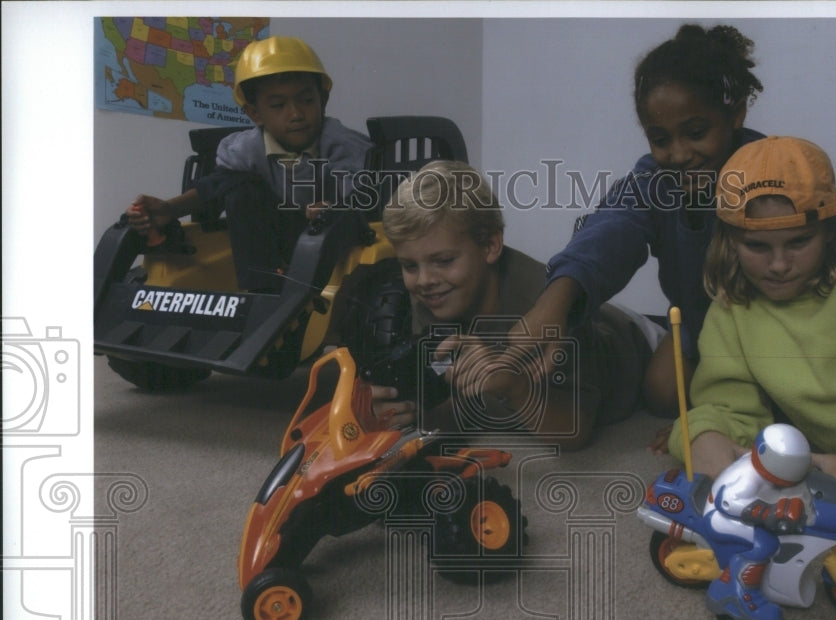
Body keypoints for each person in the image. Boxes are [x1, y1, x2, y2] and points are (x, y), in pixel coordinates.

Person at [520, 24, 765, 420]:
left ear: (735, 114)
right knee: (663, 396)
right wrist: (555, 303)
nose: (680, 153)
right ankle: (661, 342)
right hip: (696, 323)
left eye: (696, 132)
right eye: (661, 139)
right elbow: (613, 227)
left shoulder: (770, 170)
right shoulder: (654, 179)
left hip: (769, 328)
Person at [365, 160, 661, 450]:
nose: (425, 280)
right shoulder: (431, 297)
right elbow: (457, 405)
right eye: (409, 266)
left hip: (635, 342)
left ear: (490, 246)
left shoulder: (550, 306)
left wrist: (517, 389)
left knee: (666, 391)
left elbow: (574, 430)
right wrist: (414, 411)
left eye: (443, 261)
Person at [666, 136, 836, 493]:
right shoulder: (732, 306)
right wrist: (703, 436)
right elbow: (728, 409)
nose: (778, 265)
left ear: (830, 229)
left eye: (798, 242)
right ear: (731, 240)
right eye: (757, 246)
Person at [126, 36, 370, 291]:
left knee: (343, 215)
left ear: (323, 100)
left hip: (335, 238)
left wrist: (332, 207)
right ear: (255, 114)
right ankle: (260, 292)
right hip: (279, 236)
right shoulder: (244, 148)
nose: (296, 114)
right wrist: (170, 208)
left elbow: (360, 191)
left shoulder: (342, 143)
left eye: (307, 101)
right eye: (278, 105)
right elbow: (218, 184)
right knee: (239, 190)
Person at [702, 424, 816, 620]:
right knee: (765, 544)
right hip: (719, 516)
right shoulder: (748, 475)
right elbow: (727, 502)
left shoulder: (767, 468)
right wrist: (765, 513)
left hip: (739, 511)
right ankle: (733, 591)